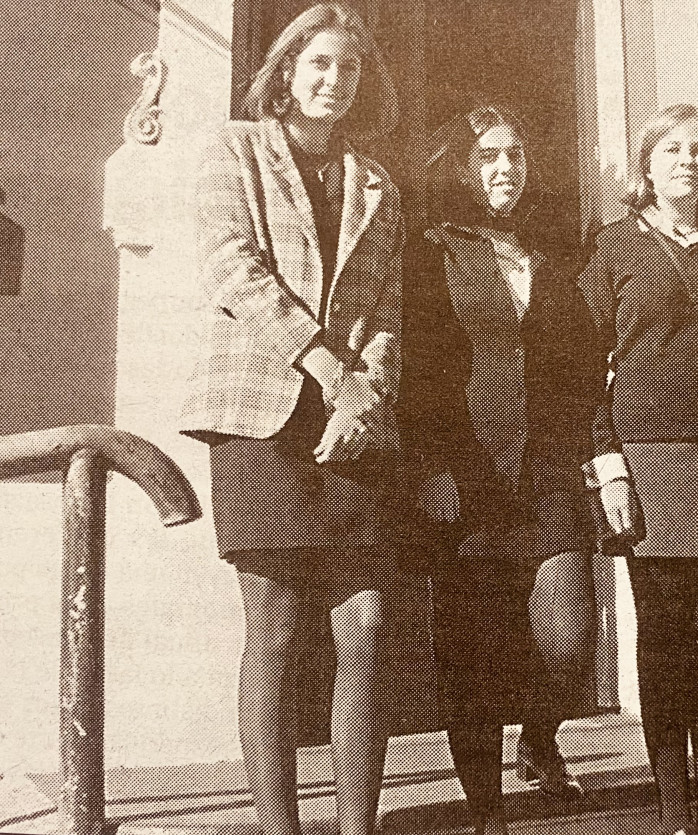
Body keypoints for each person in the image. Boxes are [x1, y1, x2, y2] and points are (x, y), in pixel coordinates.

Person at [178, 6, 403, 835]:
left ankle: (358, 829)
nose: (332, 80)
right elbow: (233, 267)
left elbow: (388, 310)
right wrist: (330, 370)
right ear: (285, 71)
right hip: (262, 416)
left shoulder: (377, 181)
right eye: (317, 64)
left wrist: (365, 394)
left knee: (368, 624)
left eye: (346, 68)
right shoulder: (232, 149)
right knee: (273, 630)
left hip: (353, 425)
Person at [400, 105, 602, 835]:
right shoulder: (431, 250)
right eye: (487, 156)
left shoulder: (549, 255)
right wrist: (429, 463)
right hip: (465, 474)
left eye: (514, 154)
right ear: (460, 166)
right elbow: (416, 367)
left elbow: (578, 369)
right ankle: (488, 817)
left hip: (545, 471)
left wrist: (588, 456)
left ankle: (541, 737)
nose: (504, 168)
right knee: (473, 656)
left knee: (571, 639)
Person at [578, 103, 698, 835]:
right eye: (671, 149)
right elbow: (580, 368)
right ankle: (673, 814)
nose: (686, 162)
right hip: (645, 462)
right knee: (663, 639)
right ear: (646, 164)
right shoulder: (612, 247)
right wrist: (610, 468)